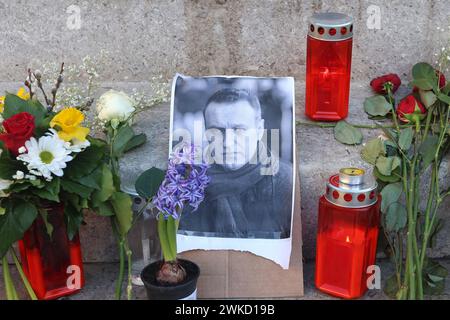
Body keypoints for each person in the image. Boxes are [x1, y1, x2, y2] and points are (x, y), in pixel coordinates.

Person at [179, 88, 293, 239]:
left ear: (259, 129)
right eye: (217, 131)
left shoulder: (286, 183)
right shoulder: (189, 183)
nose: (227, 143)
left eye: (239, 129)